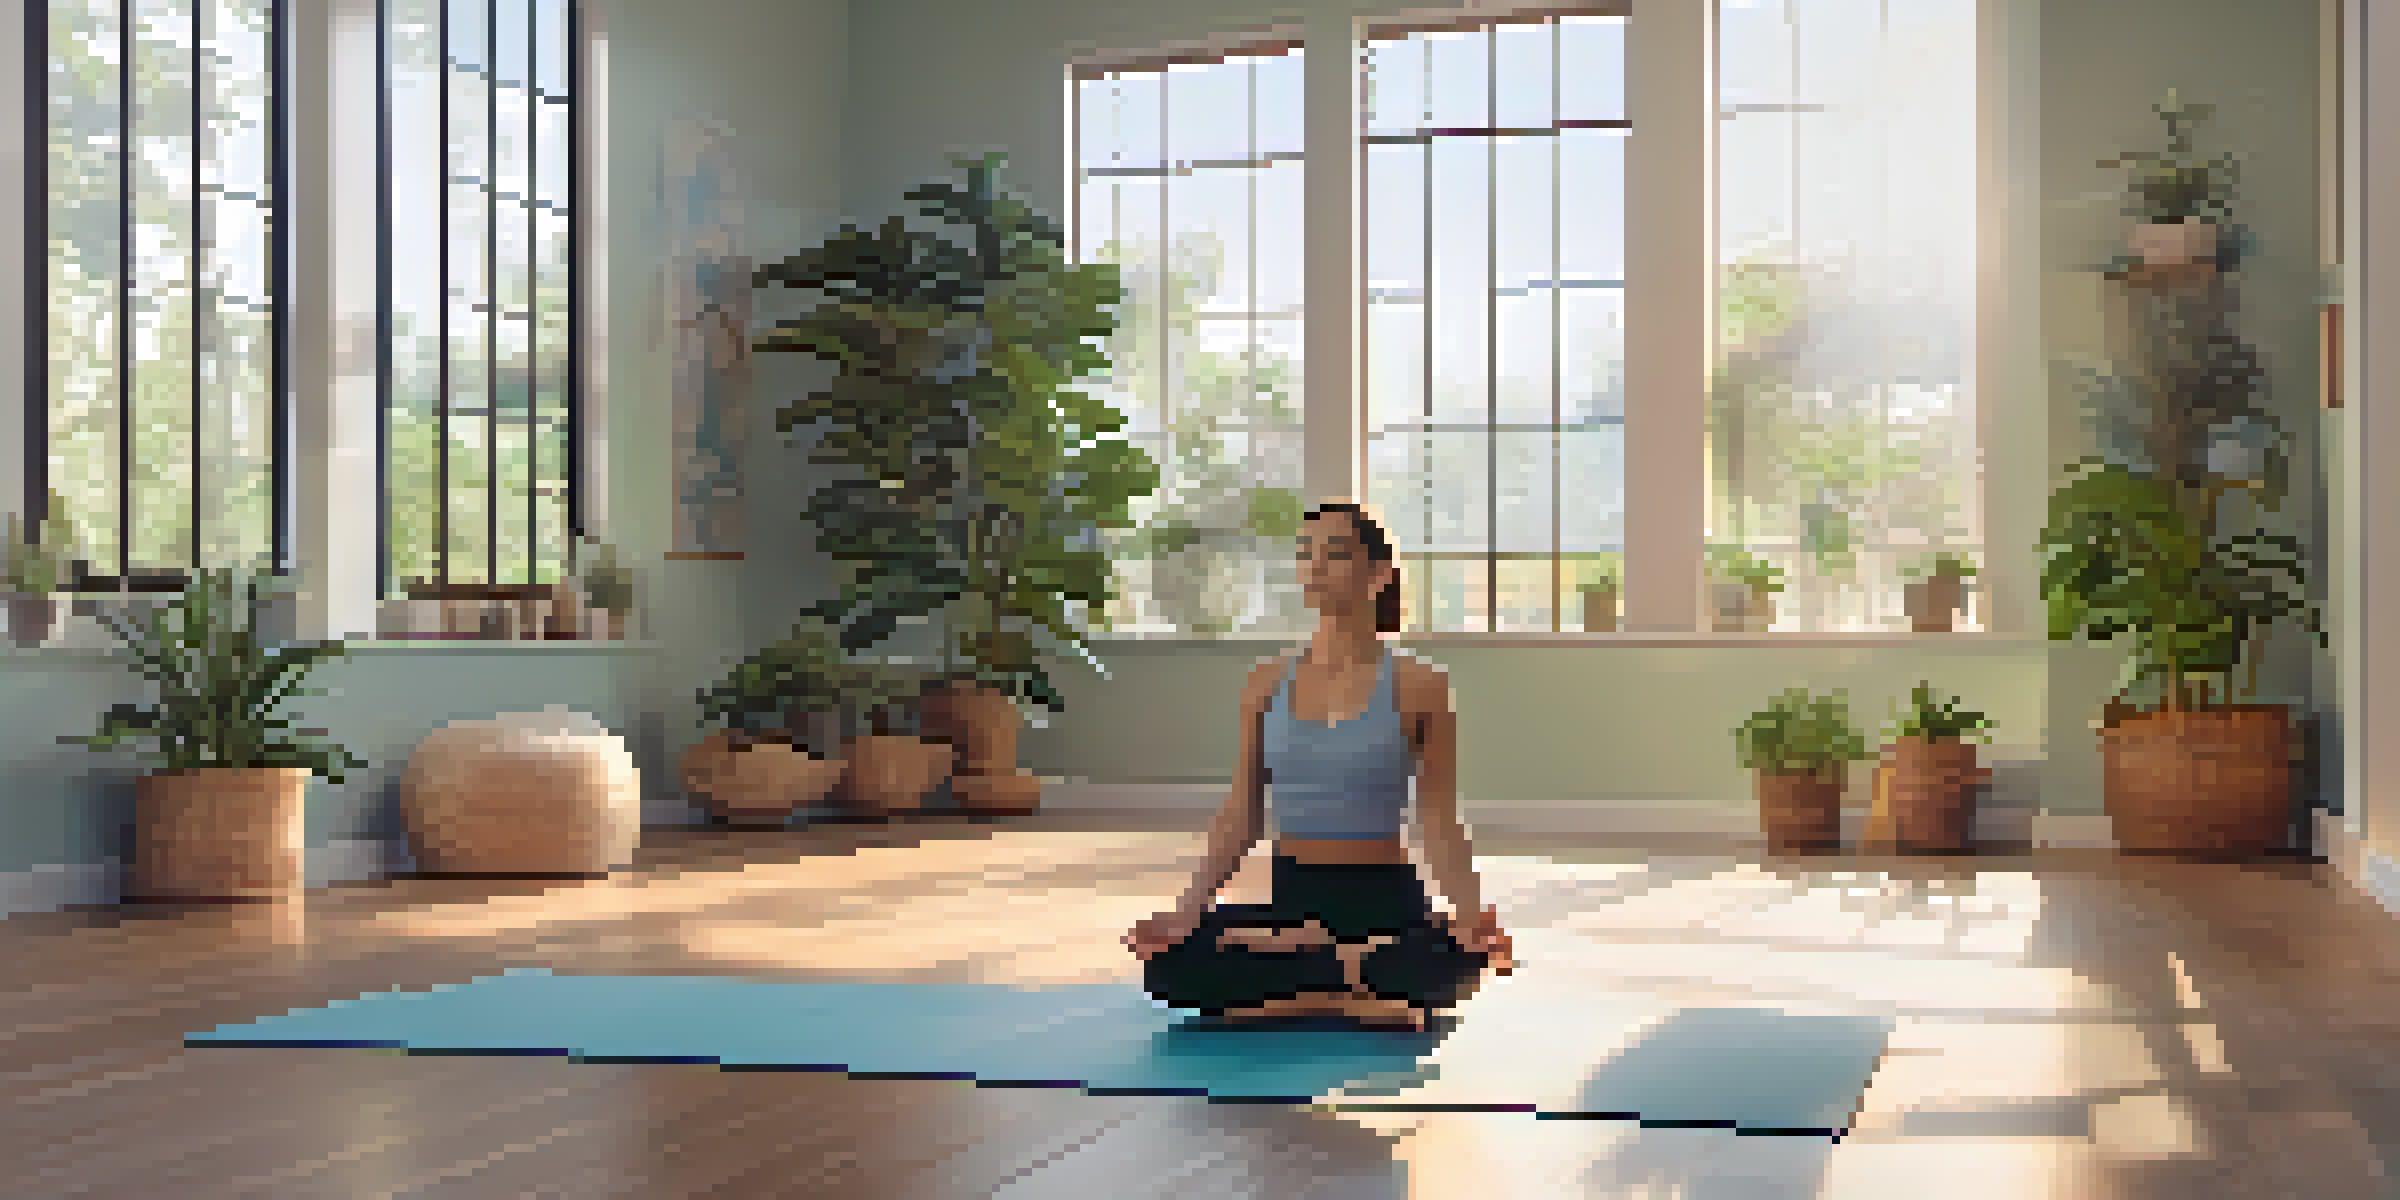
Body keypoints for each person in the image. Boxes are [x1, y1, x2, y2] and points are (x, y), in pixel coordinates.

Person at [1124, 502, 1515, 1031]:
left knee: (1461, 961)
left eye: (1334, 553)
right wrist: (1188, 907)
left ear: (1379, 573)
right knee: (1167, 967)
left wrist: (1469, 914)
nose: (1314, 566)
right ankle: (1347, 989)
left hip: (1385, 898)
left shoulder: (1422, 685)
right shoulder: (1265, 681)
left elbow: (1439, 819)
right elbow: (1241, 811)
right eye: (1306, 553)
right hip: (1291, 898)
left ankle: (1301, 982)